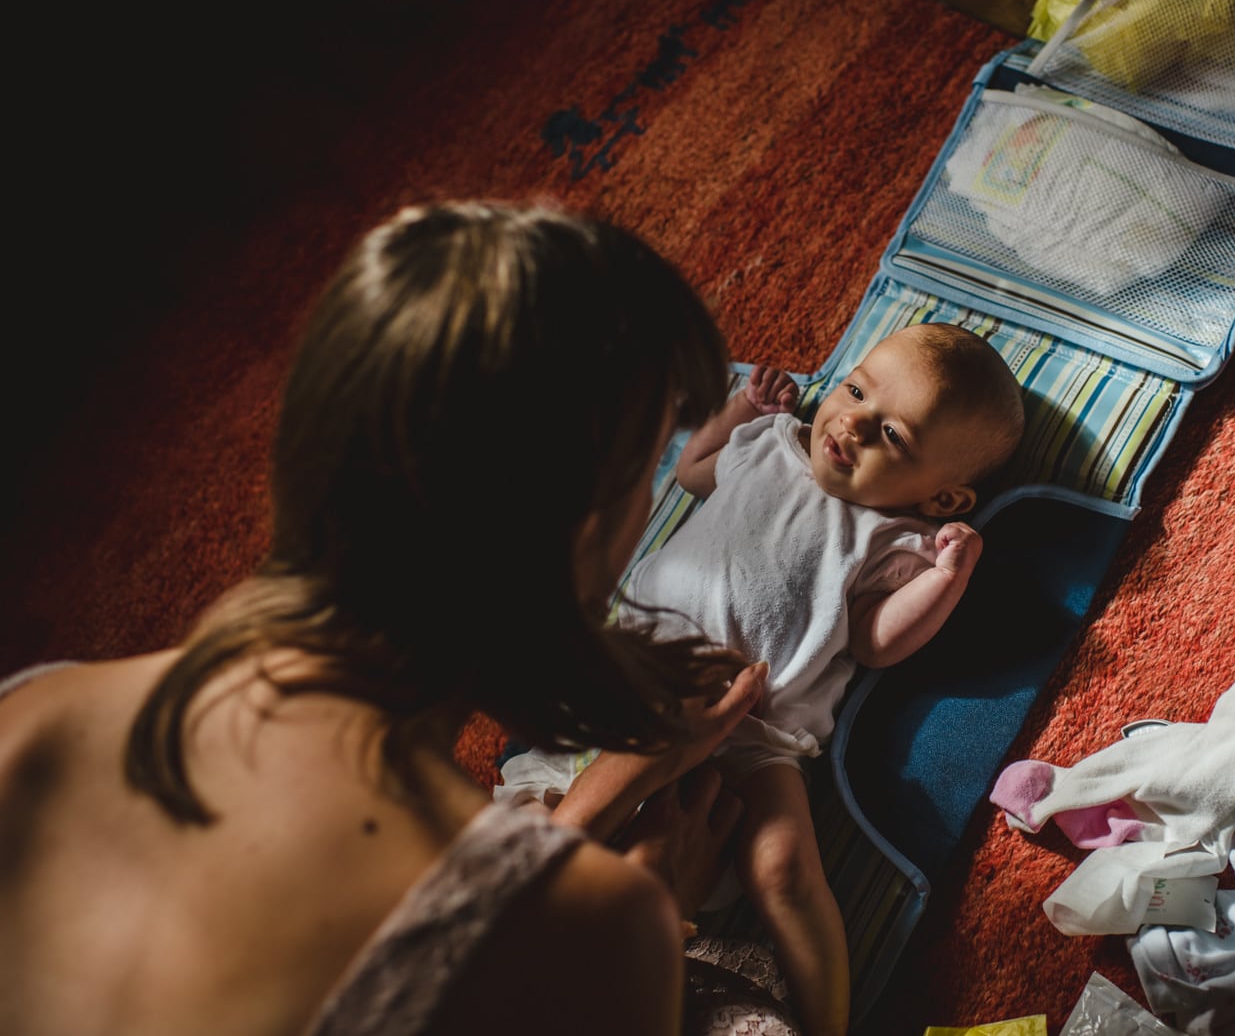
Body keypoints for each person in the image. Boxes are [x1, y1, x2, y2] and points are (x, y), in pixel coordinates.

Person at [0, 200, 787, 1036]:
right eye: (650, 466)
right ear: (580, 527)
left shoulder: (34, 714)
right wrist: (658, 907)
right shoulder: (601, 930)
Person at [615, 321, 1028, 1036]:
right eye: (856, 388)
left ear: (943, 499)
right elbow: (691, 472)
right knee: (570, 783)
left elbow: (875, 642)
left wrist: (947, 579)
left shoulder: (897, 540)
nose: (853, 422)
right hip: (638, 668)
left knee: (784, 868)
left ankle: (826, 1021)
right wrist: (743, 410)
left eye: (893, 436)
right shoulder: (775, 445)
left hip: (759, 729)